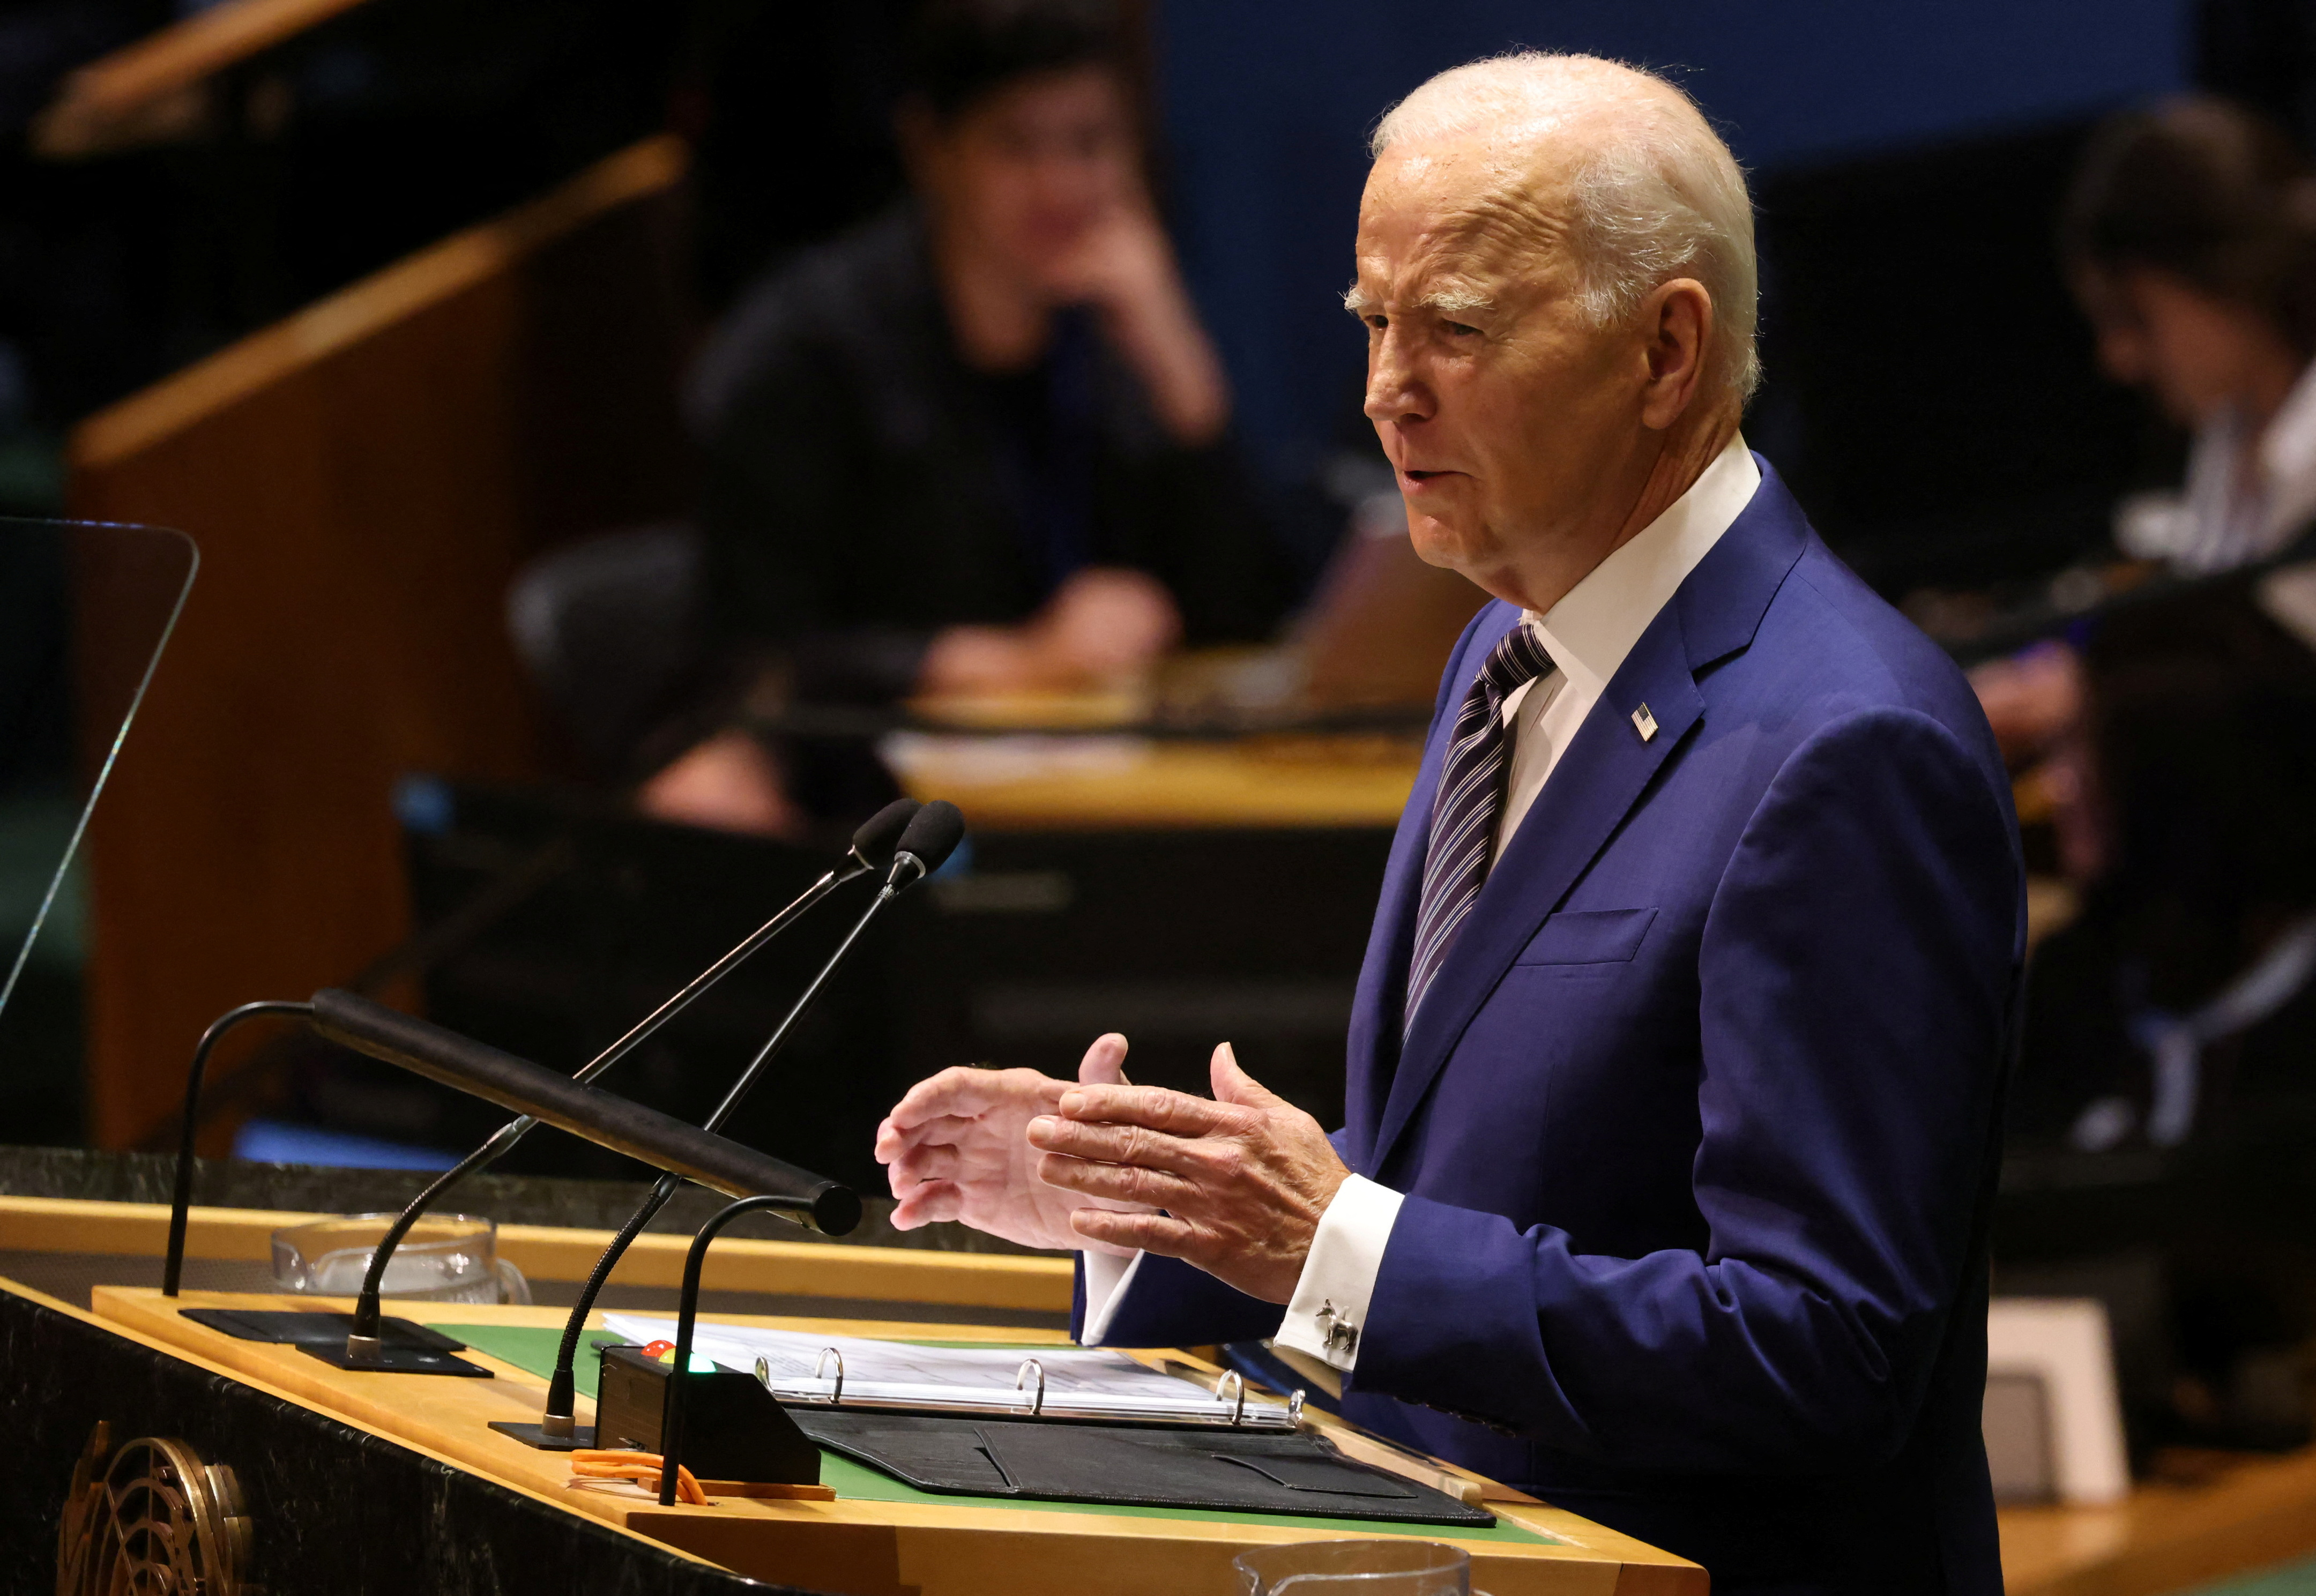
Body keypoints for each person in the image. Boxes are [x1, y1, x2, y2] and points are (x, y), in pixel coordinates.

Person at [876, 53, 2024, 1595]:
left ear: (1665, 352)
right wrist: (1161, 1213)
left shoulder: (1848, 743)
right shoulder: (1503, 646)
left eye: (1456, 330)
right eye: (1372, 323)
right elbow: (1490, 1181)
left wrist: (1328, 1242)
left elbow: (1820, 1348)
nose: (1383, 389)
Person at [643, 0, 1285, 837]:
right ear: (930, 150)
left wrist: (1184, 378)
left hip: (1083, 802)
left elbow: (1251, 618)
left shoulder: (1107, 327)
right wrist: (1024, 660)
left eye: (1089, 144)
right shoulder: (805, 354)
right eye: (1016, 145)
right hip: (864, 816)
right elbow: (755, 661)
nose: (1060, 186)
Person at [1975, 95, 2316, 778]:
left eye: (2133, 315)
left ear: (2227, 274)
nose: (2119, 358)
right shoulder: (2226, 439)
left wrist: (2095, 697)